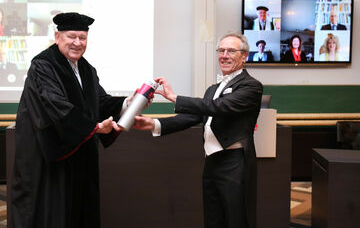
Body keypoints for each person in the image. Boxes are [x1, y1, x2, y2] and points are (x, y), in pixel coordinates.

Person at [12, 12, 139, 228]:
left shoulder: (86, 69)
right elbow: (56, 105)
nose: (77, 43)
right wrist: (95, 127)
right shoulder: (43, 65)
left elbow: (100, 102)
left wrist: (130, 102)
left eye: (83, 38)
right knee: (51, 212)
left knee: (79, 210)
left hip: (77, 152)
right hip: (47, 155)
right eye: (72, 36)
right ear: (57, 36)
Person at [133, 33, 263, 228]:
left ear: (244, 56)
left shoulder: (251, 86)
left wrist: (175, 97)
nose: (224, 55)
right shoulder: (213, 89)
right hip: (211, 161)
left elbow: (219, 107)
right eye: (221, 50)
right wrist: (154, 124)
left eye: (231, 51)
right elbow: (195, 116)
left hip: (234, 162)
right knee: (213, 218)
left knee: (236, 219)